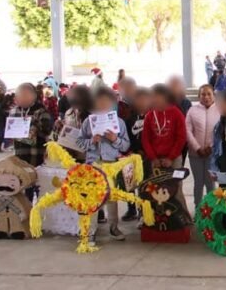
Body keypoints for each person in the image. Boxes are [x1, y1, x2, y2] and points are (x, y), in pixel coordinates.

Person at [77, 87, 130, 240]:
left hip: (111, 164)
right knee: (92, 197)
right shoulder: (88, 121)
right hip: (93, 164)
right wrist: (92, 141)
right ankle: (90, 230)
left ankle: (114, 227)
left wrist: (115, 139)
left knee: (112, 198)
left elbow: (126, 146)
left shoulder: (119, 123)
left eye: (106, 101)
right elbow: (79, 143)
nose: (102, 104)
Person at [142, 84, 190, 221]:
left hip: (173, 159)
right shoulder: (150, 115)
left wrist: (171, 157)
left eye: (156, 97)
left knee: (176, 189)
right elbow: (146, 139)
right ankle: (157, 218)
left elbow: (181, 137)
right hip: (155, 160)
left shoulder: (176, 113)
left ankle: (183, 218)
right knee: (155, 190)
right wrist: (153, 158)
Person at [9, 83, 53, 203]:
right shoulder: (14, 111)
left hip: (36, 156)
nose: (20, 98)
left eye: (24, 95)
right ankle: (27, 215)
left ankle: (40, 216)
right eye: (18, 96)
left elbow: (47, 131)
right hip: (20, 155)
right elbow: (9, 130)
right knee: (23, 187)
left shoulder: (41, 111)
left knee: (39, 187)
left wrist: (32, 126)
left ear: (33, 96)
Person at [185, 85, 219, 207]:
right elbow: (187, 131)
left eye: (209, 94)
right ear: (199, 96)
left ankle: (212, 209)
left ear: (213, 95)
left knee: (211, 183)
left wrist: (211, 147)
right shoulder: (192, 111)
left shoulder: (219, 110)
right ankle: (198, 208)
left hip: (212, 155)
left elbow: (220, 133)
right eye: (203, 94)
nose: (206, 97)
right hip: (196, 155)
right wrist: (197, 148)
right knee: (198, 183)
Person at [121, 87, 151, 222]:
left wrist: (145, 151)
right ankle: (131, 208)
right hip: (132, 155)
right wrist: (133, 150)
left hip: (148, 156)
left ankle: (144, 211)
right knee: (130, 184)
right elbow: (126, 136)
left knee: (145, 185)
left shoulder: (152, 116)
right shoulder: (129, 118)